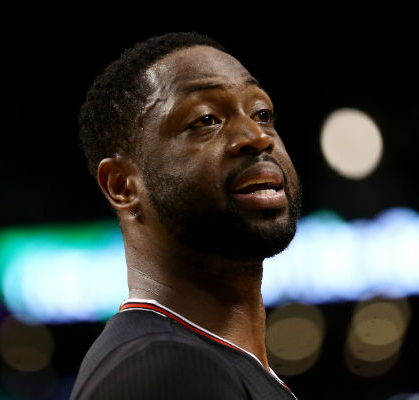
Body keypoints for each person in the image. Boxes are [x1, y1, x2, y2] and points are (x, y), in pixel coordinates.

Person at [70, 31, 302, 399]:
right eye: (206, 119)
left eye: (262, 114)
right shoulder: (165, 369)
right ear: (122, 186)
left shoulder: (203, 359)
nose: (258, 136)